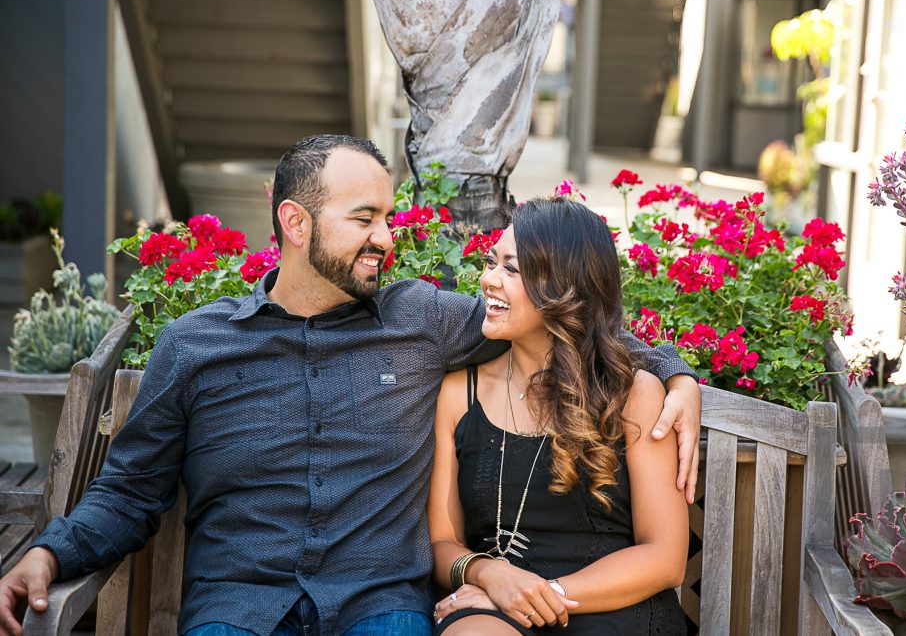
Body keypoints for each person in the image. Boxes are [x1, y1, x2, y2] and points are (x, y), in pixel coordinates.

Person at [0, 135, 699, 636]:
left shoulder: (420, 319)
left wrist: (676, 371)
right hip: (237, 607)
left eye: (388, 217)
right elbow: (129, 489)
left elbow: (564, 318)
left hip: (379, 607)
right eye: (364, 219)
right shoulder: (196, 345)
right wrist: (50, 551)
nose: (386, 237)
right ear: (295, 223)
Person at [429, 197, 687, 635]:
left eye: (511, 269)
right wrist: (489, 577)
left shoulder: (633, 395)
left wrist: (534, 595)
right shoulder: (459, 395)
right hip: (492, 603)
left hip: (612, 603)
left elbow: (665, 557)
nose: (488, 279)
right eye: (492, 262)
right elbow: (441, 543)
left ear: (563, 288)